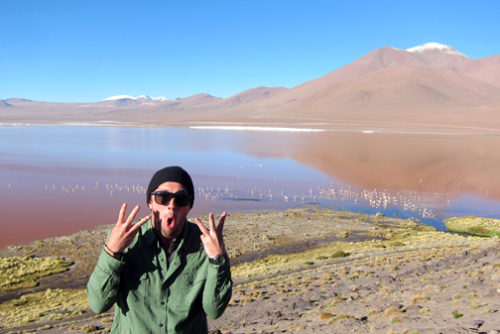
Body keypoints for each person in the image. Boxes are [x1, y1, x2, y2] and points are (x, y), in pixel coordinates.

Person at [87, 166, 232, 333]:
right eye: (162, 198)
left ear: (189, 206)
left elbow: (214, 310)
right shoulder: (126, 240)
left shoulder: (205, 245)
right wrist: (111, 253)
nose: (171, 206)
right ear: (150, 202)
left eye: (181, 199)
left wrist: (218, 259)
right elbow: (98, 304)